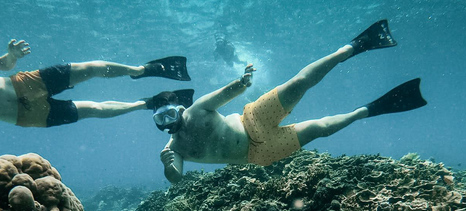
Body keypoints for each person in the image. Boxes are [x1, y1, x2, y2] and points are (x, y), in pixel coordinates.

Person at [153, 20, 427, 184]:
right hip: (258, 155)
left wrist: (243, 81)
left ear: (178, 109)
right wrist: (167, 166)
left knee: (298, 84)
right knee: (320, 129)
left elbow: (225, 94)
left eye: (168, 115)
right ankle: (368, 109)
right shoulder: (173, 148)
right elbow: (176, 177)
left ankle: (352, 47)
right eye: (159, 119)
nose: (167, 123)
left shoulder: (198, 108)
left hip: (253, 120)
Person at [0, 21, 190, 137]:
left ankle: (141, 70)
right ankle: (147, 104)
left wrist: (12, 55)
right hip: (27, 115)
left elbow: (3, 64)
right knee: (93, 109)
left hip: (23, 83)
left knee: (89, 67)